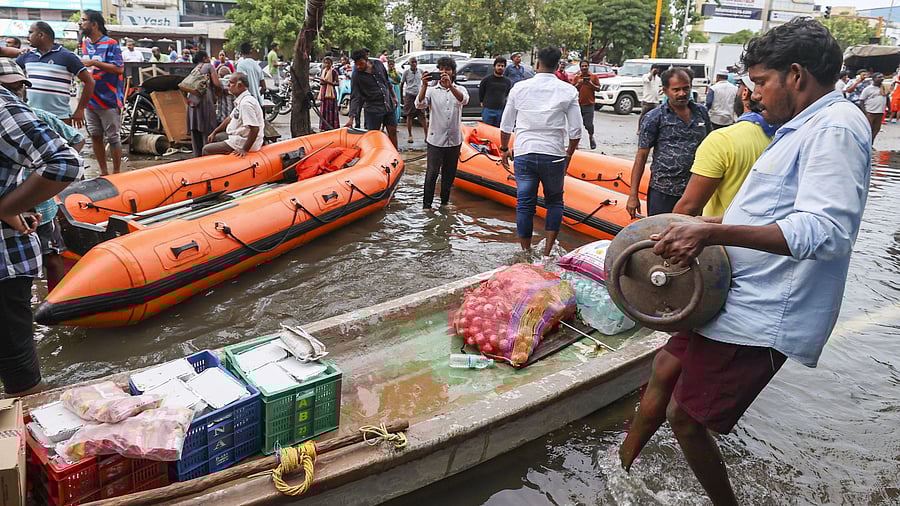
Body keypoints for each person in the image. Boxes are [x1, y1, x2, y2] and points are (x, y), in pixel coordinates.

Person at [618, 18, 871, 506]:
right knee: (664, 369)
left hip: (760, 313)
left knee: (686, 419)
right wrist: (705, 229)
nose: (753, 95)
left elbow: (827, 232)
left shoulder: (836, 128)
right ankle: (621, 465)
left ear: (795, 75)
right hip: (723, 296)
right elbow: (771, 211)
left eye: (760, 82)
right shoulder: (802, 126)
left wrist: (717, 230)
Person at [0, 76, 83, 397]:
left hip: (9, 253)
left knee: (20, 372)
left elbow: (66, 157)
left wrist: (8, 206)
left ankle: (57, 309)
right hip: (26, 219)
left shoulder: (12, 110)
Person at [0, 58, 84, 291]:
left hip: (41, 206)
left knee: (52, 255)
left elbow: (75, 142)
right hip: (21, 206)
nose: (15, 92)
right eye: (8, 87)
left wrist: (40, 169)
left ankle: (56, 300)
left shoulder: (36, 116)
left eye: (18, 86)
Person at [498, 46, 581, 258]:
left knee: (525, 204)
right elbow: (575, 130)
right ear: (558, 65)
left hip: (525, 152)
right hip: (553, 154)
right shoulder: (568, 91)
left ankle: (525, 252)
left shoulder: (520, 88)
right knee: (554, 201)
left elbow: (506, 125)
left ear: (537, 64)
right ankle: (547, 252)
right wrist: (569, 154)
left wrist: (505, 149)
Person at [673, 74, 778, 217]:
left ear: (746, 93)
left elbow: (689, 207)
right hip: (763, 234)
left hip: (722, 235)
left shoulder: (722, 140)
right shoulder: (783, 137)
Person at [627, 67, 711, 217]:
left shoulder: (701, 112)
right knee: (661, 234)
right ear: (665, 90)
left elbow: (711, 145)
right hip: (664, 191)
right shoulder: (655, 117)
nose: (682, 94)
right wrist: (633, 195)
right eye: (676, 89)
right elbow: (641, 157)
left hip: (695, 190)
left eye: (686, 88)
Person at [17, 22, 95, 128]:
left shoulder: (67, 56)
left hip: (60, 118)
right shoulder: (27, 56)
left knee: (63, 144)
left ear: (41, 35)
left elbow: (90, 82)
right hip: (33, 116)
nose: (28, 36)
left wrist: (80, 109)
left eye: (31, 32)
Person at [415, 56, 468, 210]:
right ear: (437, 71)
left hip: (454, 140)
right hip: (435, 140)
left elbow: (463, 100)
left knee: (449, 174)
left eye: (448, 70)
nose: (444, 72)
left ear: (453, 72)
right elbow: (419, 104)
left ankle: (444, 202)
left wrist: (450, 86)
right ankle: (427, 206)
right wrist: (424, 85)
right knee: (431, 173)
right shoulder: (431, 90)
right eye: (442, 69)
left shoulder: (460, 89)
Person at [79, 10, 125, 176]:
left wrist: (95, 62)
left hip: (109, 99)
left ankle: (117, 173)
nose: (80, 23)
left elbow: (119, 68)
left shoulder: (111, 43)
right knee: (95, 136)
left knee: (113, 138)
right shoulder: (85, 43)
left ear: (94, 24)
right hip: (90, 100)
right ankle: (104, 172)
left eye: (83, 20)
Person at [344, 48, 398, 148]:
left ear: (367, 59)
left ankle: (396, 155)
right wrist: (351, 118)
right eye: (356, 64)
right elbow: (355, 96)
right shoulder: (356, 76)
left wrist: (394, 97)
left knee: (393, 132)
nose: (358, 66)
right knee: (373, 137)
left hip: (388, 104)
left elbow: (386, 82)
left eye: (361, 63)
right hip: (373, 109)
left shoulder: (378, 64)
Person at [203, 72, 263, 157]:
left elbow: (255, 128)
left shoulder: (245, 104)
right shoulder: (242, 100)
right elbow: (229, 119)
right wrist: (214, 132)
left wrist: (244, 149)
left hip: (241, 142)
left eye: (231, 83)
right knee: (216, 137)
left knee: (206, 149)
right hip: (238, 137)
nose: (228, 85)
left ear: (239, 85)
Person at [186, 50, 221, 158]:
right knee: (207, 128)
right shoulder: (208, 66)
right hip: (204, 100)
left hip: (191, 102)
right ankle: (208, 157)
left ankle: (197, 156)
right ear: (205, 58)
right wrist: (220, 91)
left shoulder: (194, 69)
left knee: (195, 129)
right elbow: (216, 84)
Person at [574, 60, 600, 150]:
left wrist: (590, 84)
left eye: (586, 66)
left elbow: (598, 89)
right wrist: (579, 84)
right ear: (580, 67)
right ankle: (575, 143)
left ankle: (591, 136)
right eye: (582, 66)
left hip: (589, 104)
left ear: (588, 67)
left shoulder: (593, 77)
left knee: (588, 124)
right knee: (576, 125)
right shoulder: (577, 78)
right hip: (577, 104)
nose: (584, 68)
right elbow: (572, 89)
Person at [400, 56, 427, 143]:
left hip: (419, 95)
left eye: (415, 62)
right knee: (409, 115)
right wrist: (401, 97)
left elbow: (424, 83)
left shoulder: (421, 72)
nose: (414, 64)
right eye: (412, 62)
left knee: (422, 115)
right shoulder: (406, 73)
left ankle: (427, 135)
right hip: (410, 95)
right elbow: (401, 84)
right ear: (409, 63)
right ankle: (410, 135)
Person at [479, 57, 511, 127]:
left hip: (501, 110)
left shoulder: (507, 81)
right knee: (487, 130)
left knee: (498, 131)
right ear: (494, 67)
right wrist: (481, 101)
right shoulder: (486, 80)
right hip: (488, 109)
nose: (500, 68)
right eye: (498, 65)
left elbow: (508, 94)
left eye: (502, 66)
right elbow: (481, 91)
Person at [235, 42, 266, 107]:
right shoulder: (257, 65)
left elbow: (241, 84)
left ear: (240, 53)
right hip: (258, 103)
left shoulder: (241, 65)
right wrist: (257, 93)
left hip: (247, 103)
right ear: (251, 51)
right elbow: (264, 87)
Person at [859, 72, 886, 141]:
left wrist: (888, 107)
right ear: (873, 79)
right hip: (870, 112)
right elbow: (861, 100)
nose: (881, 79)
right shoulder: (868, 89)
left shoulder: (884, 88)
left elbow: (887, 97)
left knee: (876, 129)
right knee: (867, 130)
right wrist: (865, 112)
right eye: (879, 77)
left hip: (880, 112)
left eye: (882, 77)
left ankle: (871, 144)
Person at [318, 56, 339, 131]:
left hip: (331, 93)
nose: (327, 65)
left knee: (330, 109)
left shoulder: (334, 72)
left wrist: (328, 82)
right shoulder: (323, 71)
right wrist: (322, 82)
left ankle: (331, 126)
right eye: (325, 63)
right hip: (324, 92)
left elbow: (337, 83)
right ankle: (324, 126)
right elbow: (321, 82)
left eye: (328, 63)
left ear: (331, 63)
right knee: (324, 110)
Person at [387, 59, 402, 123]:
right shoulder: (385, 73)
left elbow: (399, 80)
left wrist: (395, 72)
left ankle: (395, 122)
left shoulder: (397, 72)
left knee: (397, 104)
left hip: (396, 89)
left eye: (392, 64)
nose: (391, 66)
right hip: (389, 90)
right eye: (390, 64)